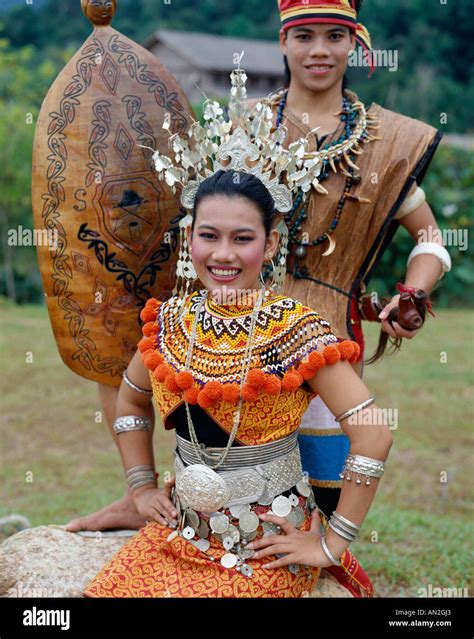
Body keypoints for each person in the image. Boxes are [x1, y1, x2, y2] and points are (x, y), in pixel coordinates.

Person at [82, 71, 390, 597]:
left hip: (266, 545)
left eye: (242, 238)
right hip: (178, 531)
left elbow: (374, 432)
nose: (222, 255)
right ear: (190, 238)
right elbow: (132, 397)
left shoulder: (298, 331)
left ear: (270, 246)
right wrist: (140, 486)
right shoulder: (172, 322)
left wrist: (332, 542)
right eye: (209, 236)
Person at [253, 0, 452, 517]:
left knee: (325, 492)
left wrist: (414, 293)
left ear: (354, 43)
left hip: (332, 340)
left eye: (333, 36)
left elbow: (430, 238)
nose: (319, 50)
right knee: (238, 486)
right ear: (283, 42)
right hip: (241, 333)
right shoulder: (244, 132)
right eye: (304, 36)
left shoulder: (386, 142)